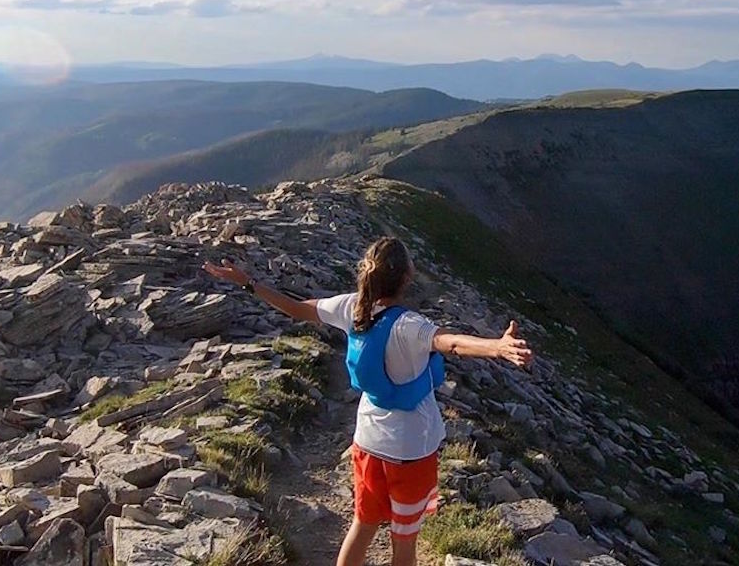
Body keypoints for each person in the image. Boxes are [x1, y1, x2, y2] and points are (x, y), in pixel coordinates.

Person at [203, 236, 532, 566]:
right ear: (406, 277)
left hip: (368, 445)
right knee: (404, 541)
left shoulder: (350, 308)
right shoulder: (411, 326)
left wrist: (248, 282)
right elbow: (452, 344)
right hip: (411, 452)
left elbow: (297, 308)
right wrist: (497, 347)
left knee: (362, 526)